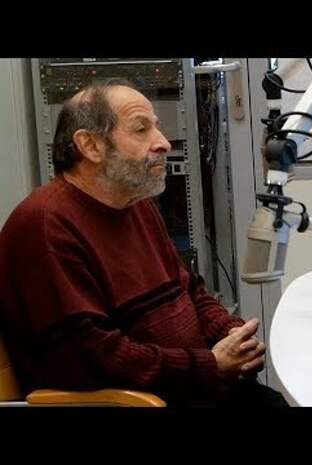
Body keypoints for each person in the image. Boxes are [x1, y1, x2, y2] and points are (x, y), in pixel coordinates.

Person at [0, 79, 288, 407]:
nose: (163, 142)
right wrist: (210, 365)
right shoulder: (45, 225)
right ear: (90, 146)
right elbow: (95, 357)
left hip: (194, 387)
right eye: (141, 130)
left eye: (157, 127)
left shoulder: (135, 204)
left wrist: (232, 334)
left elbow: (188, 289)